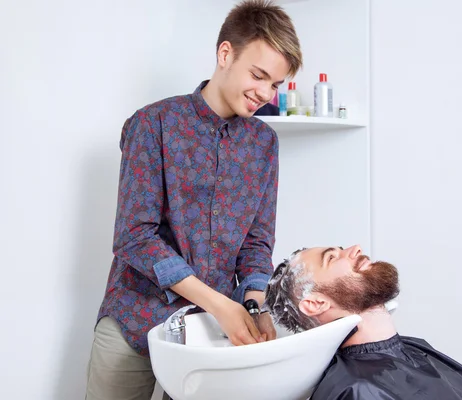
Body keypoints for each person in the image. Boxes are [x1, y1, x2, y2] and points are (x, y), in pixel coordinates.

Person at [85, 1, 302, 399]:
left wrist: (254, 305)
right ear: (225, 54)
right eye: (259, 76)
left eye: (275, 84)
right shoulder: (153, 124)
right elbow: (134, 236)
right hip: (135, 318)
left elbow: (256, 242)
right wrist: (221, 304)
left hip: (207, 335)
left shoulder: (264, 144)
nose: (265, 94)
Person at [263, 245, 462, 400]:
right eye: (332, 258)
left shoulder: (415, 347)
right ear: (316, 303)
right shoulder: (355, 390)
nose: (355, 249)